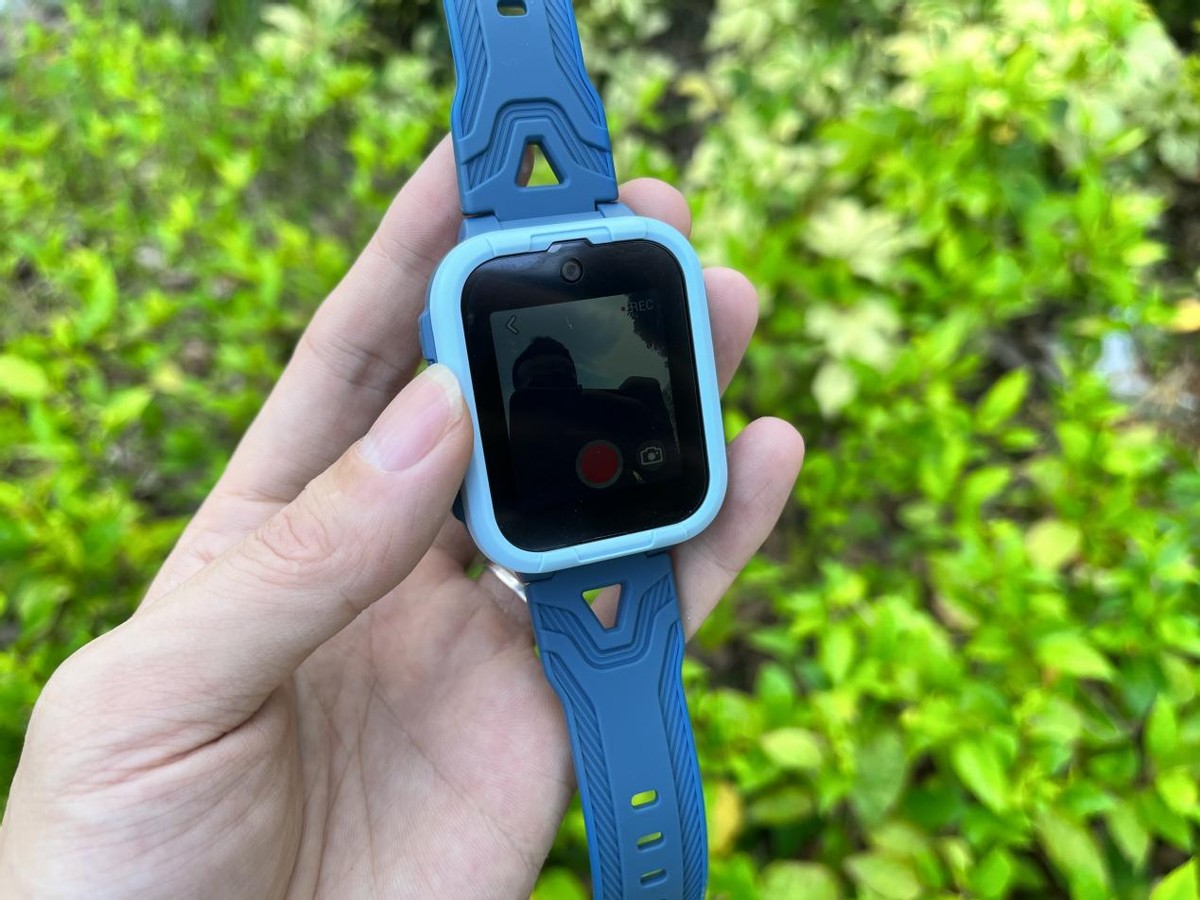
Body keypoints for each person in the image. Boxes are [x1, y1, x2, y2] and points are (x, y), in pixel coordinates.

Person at [0, 139, 805, 899]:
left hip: (586, 536)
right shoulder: (611, 404)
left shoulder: (582, 406)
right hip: (577, 541)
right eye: (543, 379)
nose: (552, 392)